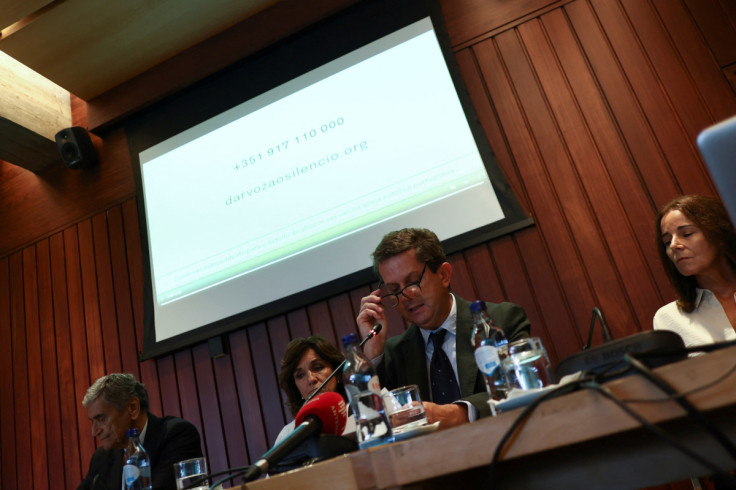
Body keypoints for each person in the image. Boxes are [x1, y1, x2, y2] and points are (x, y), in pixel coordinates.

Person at [357, 228, 531, 429]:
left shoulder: (501, 320)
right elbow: (370, 424)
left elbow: (522, 383)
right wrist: (372, 355)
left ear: (443, 275)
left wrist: (458, 413)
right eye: (395, 290)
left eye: (412, 281)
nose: (406, 296)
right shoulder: (392, 355)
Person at [78, 373, 203, 490]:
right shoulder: (101, 458)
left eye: (101, 419)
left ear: (132, 408)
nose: (94, 432)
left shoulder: (176, 435)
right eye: (92, 421)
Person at [653, 195, 736, 347]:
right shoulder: (669, 318)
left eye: (687, 234)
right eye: (667, 241)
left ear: (719, 235)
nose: (674, 245)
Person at [275, 335, 349, 445]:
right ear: (296, 387)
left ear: (337, 373)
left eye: (318, 368)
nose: (311, 379)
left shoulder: (359, 410)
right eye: (300, 375)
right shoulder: (287, 434)